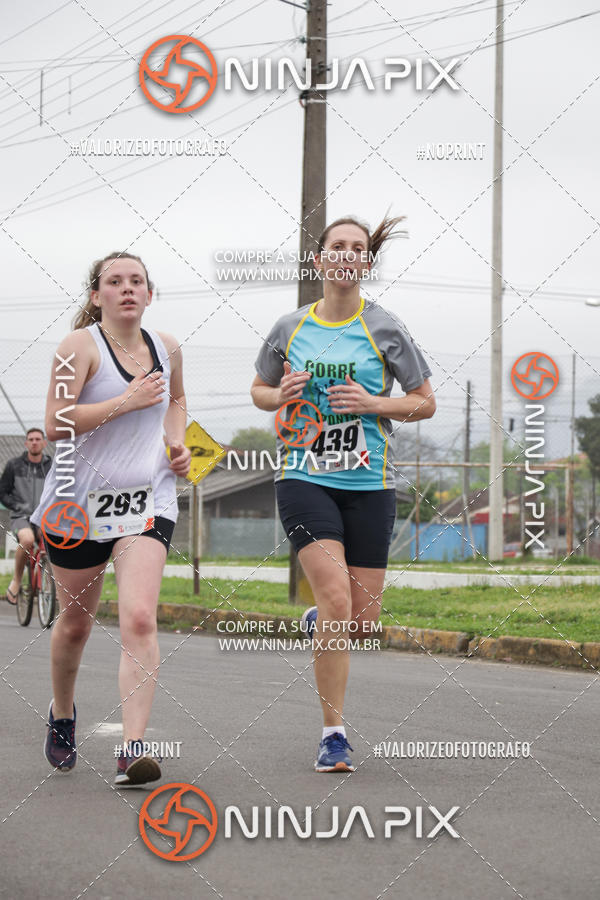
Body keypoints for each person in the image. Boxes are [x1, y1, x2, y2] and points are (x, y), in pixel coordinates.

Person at [251, 215, 436, 772]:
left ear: (366, 264)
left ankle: (319, 622)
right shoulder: (289, 327)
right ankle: (333, 734)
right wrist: (277, 393)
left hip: (369, 481)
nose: (347, 255)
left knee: (360, 619)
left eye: (358, 249)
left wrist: (374, 404)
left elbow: (425, 402)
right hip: (304, 475)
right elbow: (258, 390)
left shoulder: (386, 328)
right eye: (338, 247)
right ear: (320, 259)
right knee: (334, 599)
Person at [31, 252, 191, 786]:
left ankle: (132, 748)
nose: (127, 289)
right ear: (96, 295)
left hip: (145, 503)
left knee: (141, 618)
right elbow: (55, 424)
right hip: (77, 507)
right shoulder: (78, 347)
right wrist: (125, 400)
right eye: (114, 282)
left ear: (149, 294)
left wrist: (176, 443)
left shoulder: (167, 349)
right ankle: (61, 713)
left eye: (136, 281)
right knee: (75, 625)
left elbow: (177, 402)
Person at [0, 428, 52, 604]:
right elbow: (3, 493)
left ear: (44, 443)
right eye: (31, 439)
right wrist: (17, 505)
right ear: (26, 443)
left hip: (43, 517)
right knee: (28, 540)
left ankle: (53, 586)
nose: (35, 442)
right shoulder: (14, 465)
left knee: (51, 542)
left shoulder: (52, 466)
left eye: (38, 439)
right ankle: (16, 580)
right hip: (20, 517)